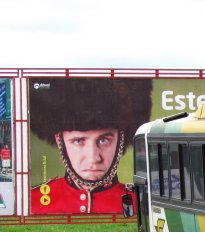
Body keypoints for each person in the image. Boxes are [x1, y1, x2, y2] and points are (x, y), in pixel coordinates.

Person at [30, 78, 152, 214]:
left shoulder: (139, 203)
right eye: (78, 141)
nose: (93, 158)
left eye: (104, 140)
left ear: (121, 140)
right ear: (60, 141)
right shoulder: (33, 201)